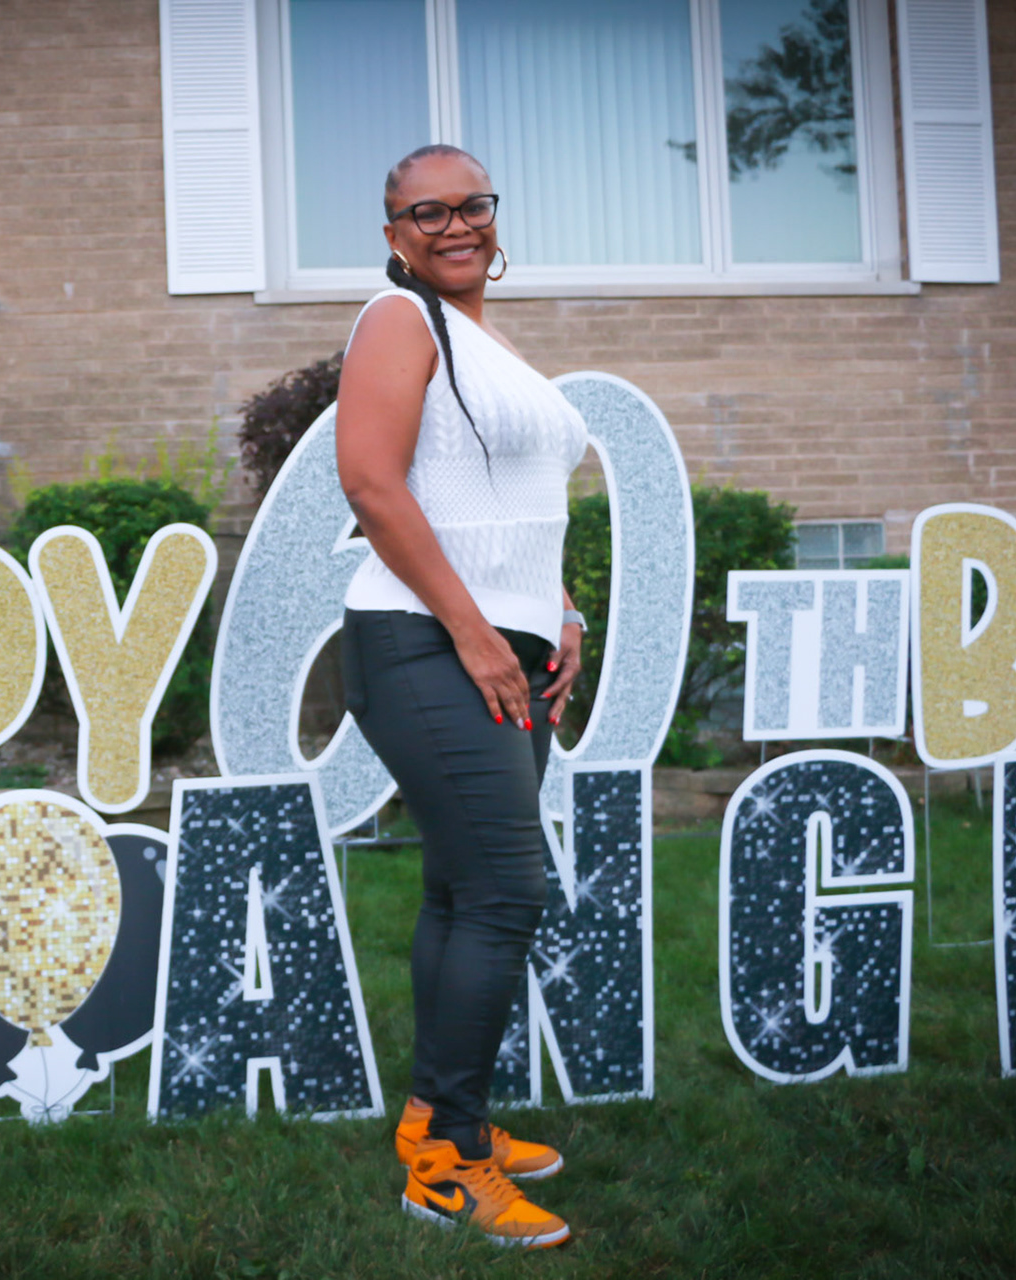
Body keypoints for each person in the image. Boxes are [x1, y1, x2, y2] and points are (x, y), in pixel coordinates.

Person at [337, 144, 589, 1249]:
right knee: (503, 891)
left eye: (470, 205)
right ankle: (448, 1166)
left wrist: (559, 612)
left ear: (495, 213)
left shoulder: (485, 340)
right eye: (426, 212)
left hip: (497, 642)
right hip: (424, 643)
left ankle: (436, 1122)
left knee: (459, 890)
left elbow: (508, 504)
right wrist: (480, 634)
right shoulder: (398, 320)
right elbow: (372, 483)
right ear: (395, 234)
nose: (454, 225)